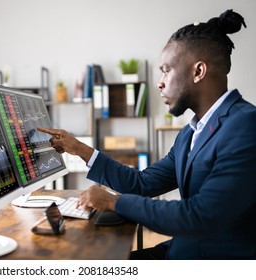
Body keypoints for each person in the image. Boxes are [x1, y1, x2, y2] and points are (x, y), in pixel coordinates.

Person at [38, 9, 256, 260]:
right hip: (183, 249)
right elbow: (142, 184)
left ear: (198, 72)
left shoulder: (245, 126)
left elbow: (200, 216)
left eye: (166, 70)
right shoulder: (189, 134)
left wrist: (113, 202)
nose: (160, 82)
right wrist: (80, 149)